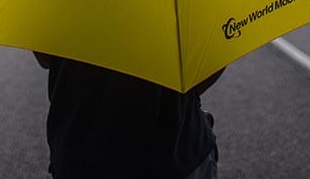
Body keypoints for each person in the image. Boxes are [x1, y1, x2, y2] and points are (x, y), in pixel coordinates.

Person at [34, 52, 223, 179]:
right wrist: (188, 96)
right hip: (178, 153)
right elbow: (216, 54)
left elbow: (45, 58)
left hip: (80, 154)